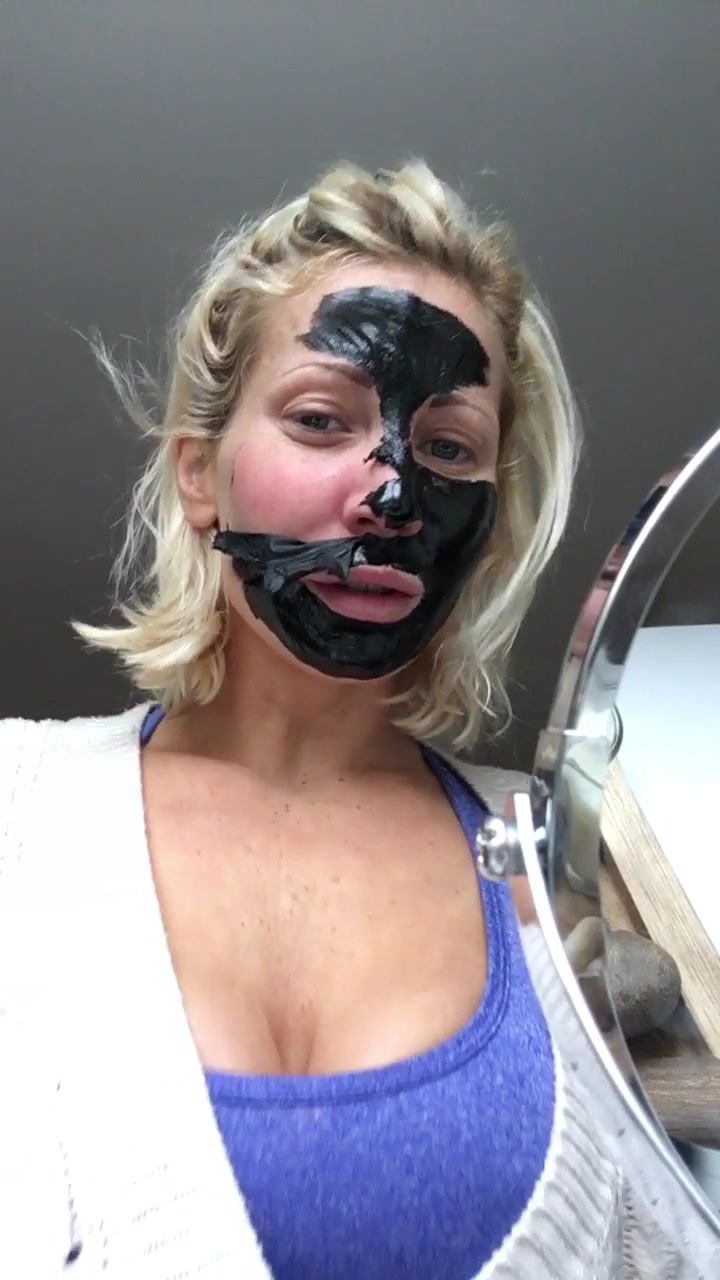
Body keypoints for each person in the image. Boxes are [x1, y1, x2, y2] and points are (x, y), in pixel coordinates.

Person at [0, 161, 712, 1280]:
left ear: (489, 520)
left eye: (448, 449)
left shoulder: (555, 868)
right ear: (201, 472)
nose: (390, 496)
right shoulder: (19, 807)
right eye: (321, 419)